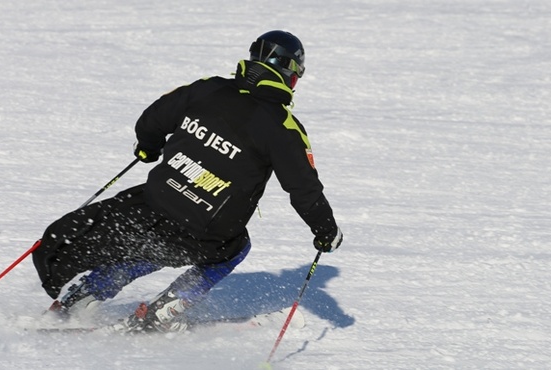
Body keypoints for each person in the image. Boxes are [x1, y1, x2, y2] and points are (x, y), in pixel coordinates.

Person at [31, 30, 343, 333]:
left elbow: (151, 120)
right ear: (289, 75)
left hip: (152, 205)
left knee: (148, 248)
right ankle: (164, 311)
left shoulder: (208, 89)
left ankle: (81, 299)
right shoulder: (284, 128)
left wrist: (148, 146)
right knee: (235, 247)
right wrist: (326, 231)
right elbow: (304, 191)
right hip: (205, 232)